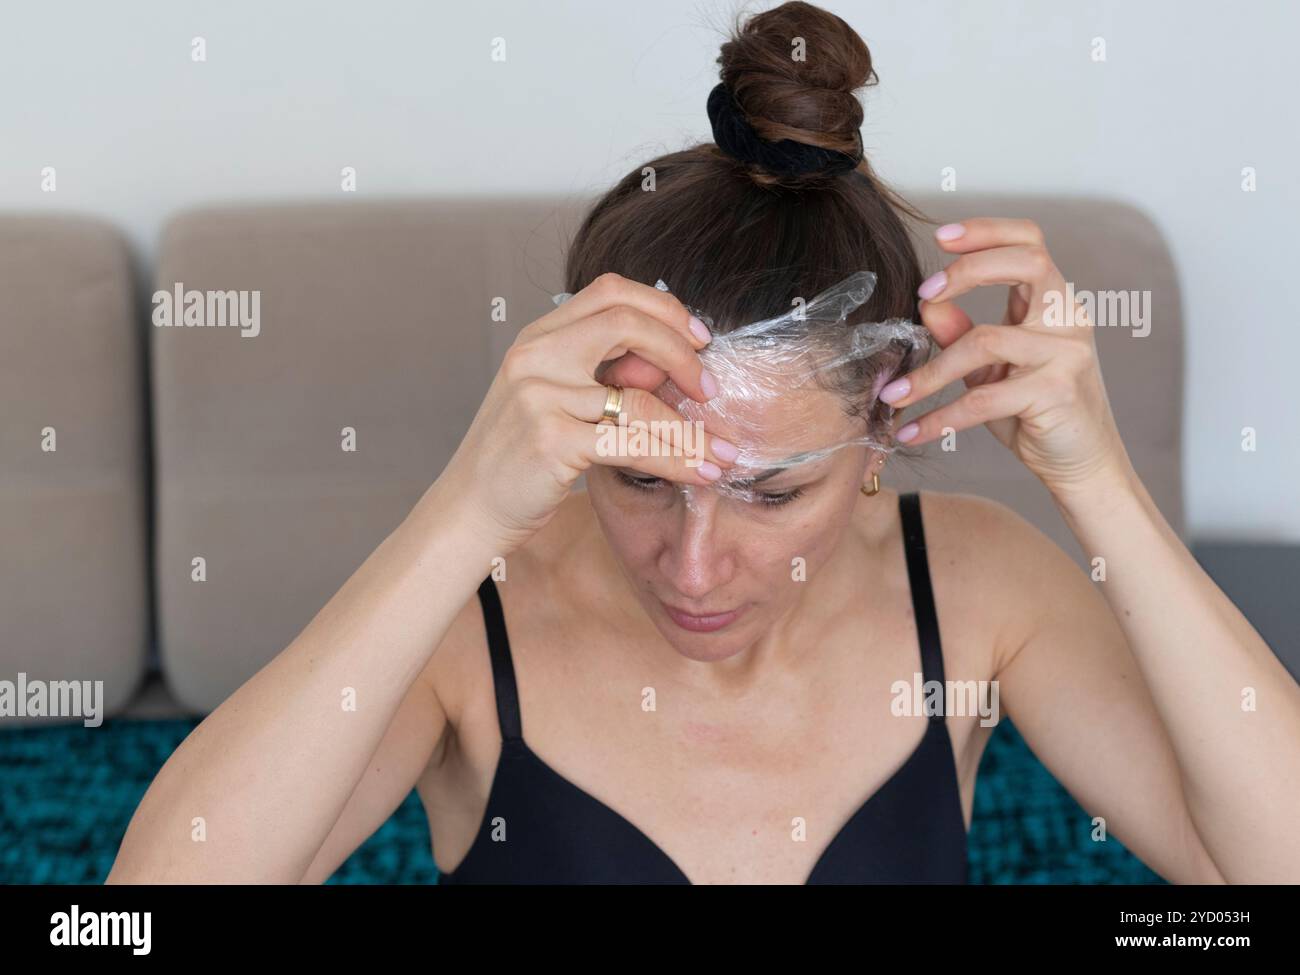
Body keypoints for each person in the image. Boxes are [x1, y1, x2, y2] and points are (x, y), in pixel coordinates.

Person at [108, 1, 1299, 885]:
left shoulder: (979, 586)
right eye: (640, 478)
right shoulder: (469, 623)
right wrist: (466, 510)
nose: (691, 566)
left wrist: (1099, 485)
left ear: (884, 429)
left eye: (774, 494)